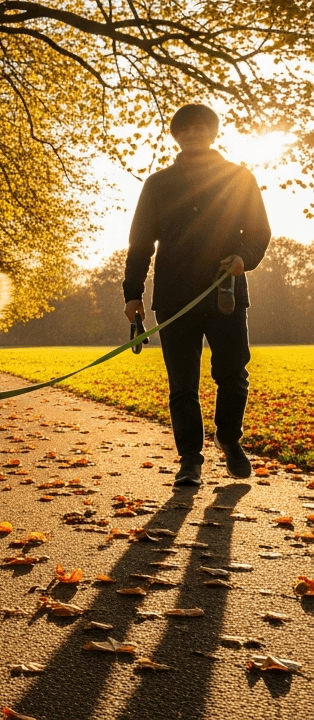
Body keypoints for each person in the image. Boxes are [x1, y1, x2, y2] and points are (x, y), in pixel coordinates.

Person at [123, 103, 271, 487]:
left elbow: (259, 233)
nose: (192, 134)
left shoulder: (239, 178)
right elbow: (140, 243)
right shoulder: (158, 184)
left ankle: (229, 439)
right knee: (183, 385)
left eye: (199, 128)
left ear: (212, 131)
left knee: (233, 376)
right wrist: (132, 293)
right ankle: (190, 459)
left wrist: (245, 257)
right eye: (184, 129)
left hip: (226, 294)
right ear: (176, 136)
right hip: (173, 299)